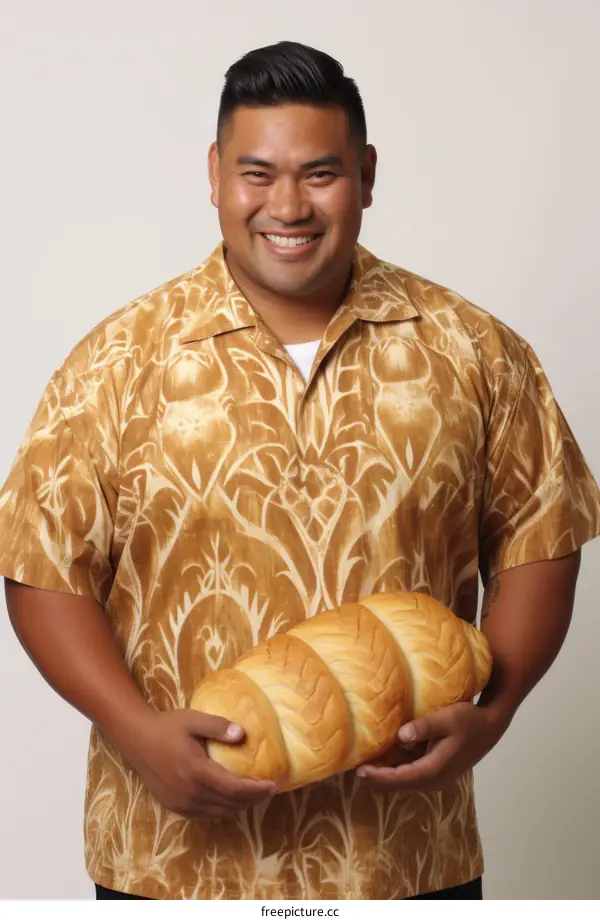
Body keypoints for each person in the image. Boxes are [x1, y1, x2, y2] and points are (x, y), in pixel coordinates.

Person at [1, 40, 599, 903]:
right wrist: (134, 732)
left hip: (404, 859)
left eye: (320, 174)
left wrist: (494, 712)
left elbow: (542, 535)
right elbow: (41, 567)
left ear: (366, 174)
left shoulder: (475, 350)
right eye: (258, 174)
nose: (288, 206)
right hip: (170, 863)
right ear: (215, 175)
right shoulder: (117, 362)